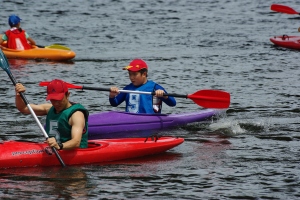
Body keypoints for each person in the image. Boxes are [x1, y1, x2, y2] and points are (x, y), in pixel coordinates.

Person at [15, 79, 89, 150]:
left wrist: (59, 146)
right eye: (53, 99)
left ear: (67, 95)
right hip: (54, 149)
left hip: (74, 152)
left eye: (59, 99)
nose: (56, 103)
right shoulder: (49, 109)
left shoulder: (76, 115)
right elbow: (23, 108)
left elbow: (76, 142)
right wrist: (19, 95)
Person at [109, 59, 176, 114]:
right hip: (130, 120)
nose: (131, 77)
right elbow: (115, 103)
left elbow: (173, 103)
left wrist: (164, 95)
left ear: (144, 74)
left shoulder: (154, 87)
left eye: (135, 74)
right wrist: (112, 96)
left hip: (149, 121)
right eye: (130, 74)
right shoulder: (128, 88)